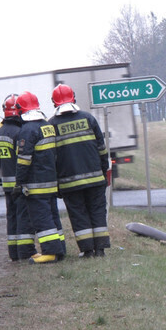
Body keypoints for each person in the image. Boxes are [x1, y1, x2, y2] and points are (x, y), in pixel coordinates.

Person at [48, 84, 111, 257]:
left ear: (54, 102)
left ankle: (87, 251)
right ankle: (101, 249)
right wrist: (103, 172)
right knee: (97, 211)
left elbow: (50, 159)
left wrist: (56, 185)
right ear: (73, 98)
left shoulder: (51, 125)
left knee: (78, 215)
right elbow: (102, 149)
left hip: (69, 184)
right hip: (95, 179)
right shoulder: (88, 118)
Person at [15, 91, 66, 264]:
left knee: (42, 219)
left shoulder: (27, 130)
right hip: (51, 182)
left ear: (20, 109)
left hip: (36, 184)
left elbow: (24, 160)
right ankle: (60, 249)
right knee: (53, 216)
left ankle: (50, 253)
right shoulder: (47, 126)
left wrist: (19, 182)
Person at [0, 94, 36, 261]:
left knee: (11, 218)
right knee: (23, 217)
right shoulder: (19, 133)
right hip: (19, 184)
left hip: (6, 184)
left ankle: (14, 253)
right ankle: (25, 252)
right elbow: (23, 159)